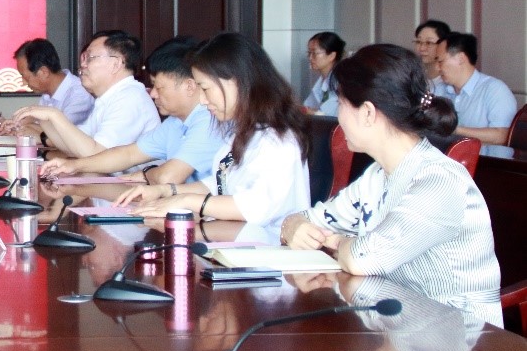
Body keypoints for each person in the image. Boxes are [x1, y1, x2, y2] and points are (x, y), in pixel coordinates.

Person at [280, 44, 501, 326]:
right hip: (401, 327)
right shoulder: (377, 175)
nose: (338, 117)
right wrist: (294, 227)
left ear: (368, 113)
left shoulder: (439, 180)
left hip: (460, 338)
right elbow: (310, 219)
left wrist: (336, 241)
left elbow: (364, 259)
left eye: (341, 104)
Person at [115, 32, 310, 227]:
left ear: (236, 81)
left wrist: (185, 200)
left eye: (205, 89)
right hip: (232, 236)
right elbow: (220, 185)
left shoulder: (277, 140)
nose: (202, 100)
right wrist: (166, 191)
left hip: (267, 242)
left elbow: (255, 206)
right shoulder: (242, 131)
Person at [39, 37, 224, 184]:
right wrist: (74, 166)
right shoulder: (175, 123)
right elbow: (128, 154)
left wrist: (146, 174)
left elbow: (168, 177)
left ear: (189, 86)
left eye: (159, 87)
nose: (153, 94)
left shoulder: (207, 119)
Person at [13, 30, 159, 158]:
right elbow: (75, 146)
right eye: (83, 58)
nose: (82, 65)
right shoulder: (108, 98)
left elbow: (97, 156)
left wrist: (53, 115)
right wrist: (44, 120)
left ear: (115, 64)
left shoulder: (130, 98)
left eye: (89, 58)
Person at [0, 38, 94, 133]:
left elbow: (61, 133)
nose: (23, 82)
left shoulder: (79, 94)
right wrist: (8, 124)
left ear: (44, 72)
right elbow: (37, 127)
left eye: (25, 77)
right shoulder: (47, 94)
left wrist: (19, 125)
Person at [436, 32, 517, 145]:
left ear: (461, 58)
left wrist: (453, 130)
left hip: (486, 156)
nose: (437, 67)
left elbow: (502, 136)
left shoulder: (495, 90)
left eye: (440, 61)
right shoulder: (438, 90)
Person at [303, 31, 345, 116]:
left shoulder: (340, 82)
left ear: (332, 56)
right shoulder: (321, 81)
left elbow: (330, 115)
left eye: (314, 53)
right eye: (309, 53)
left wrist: (314, 112)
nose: (310, 58)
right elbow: (308, 106)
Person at [413, 19, 453, 98]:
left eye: (429, 43)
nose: (422, 48)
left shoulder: (450, 82)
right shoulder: (412, 79)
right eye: (418, 42)